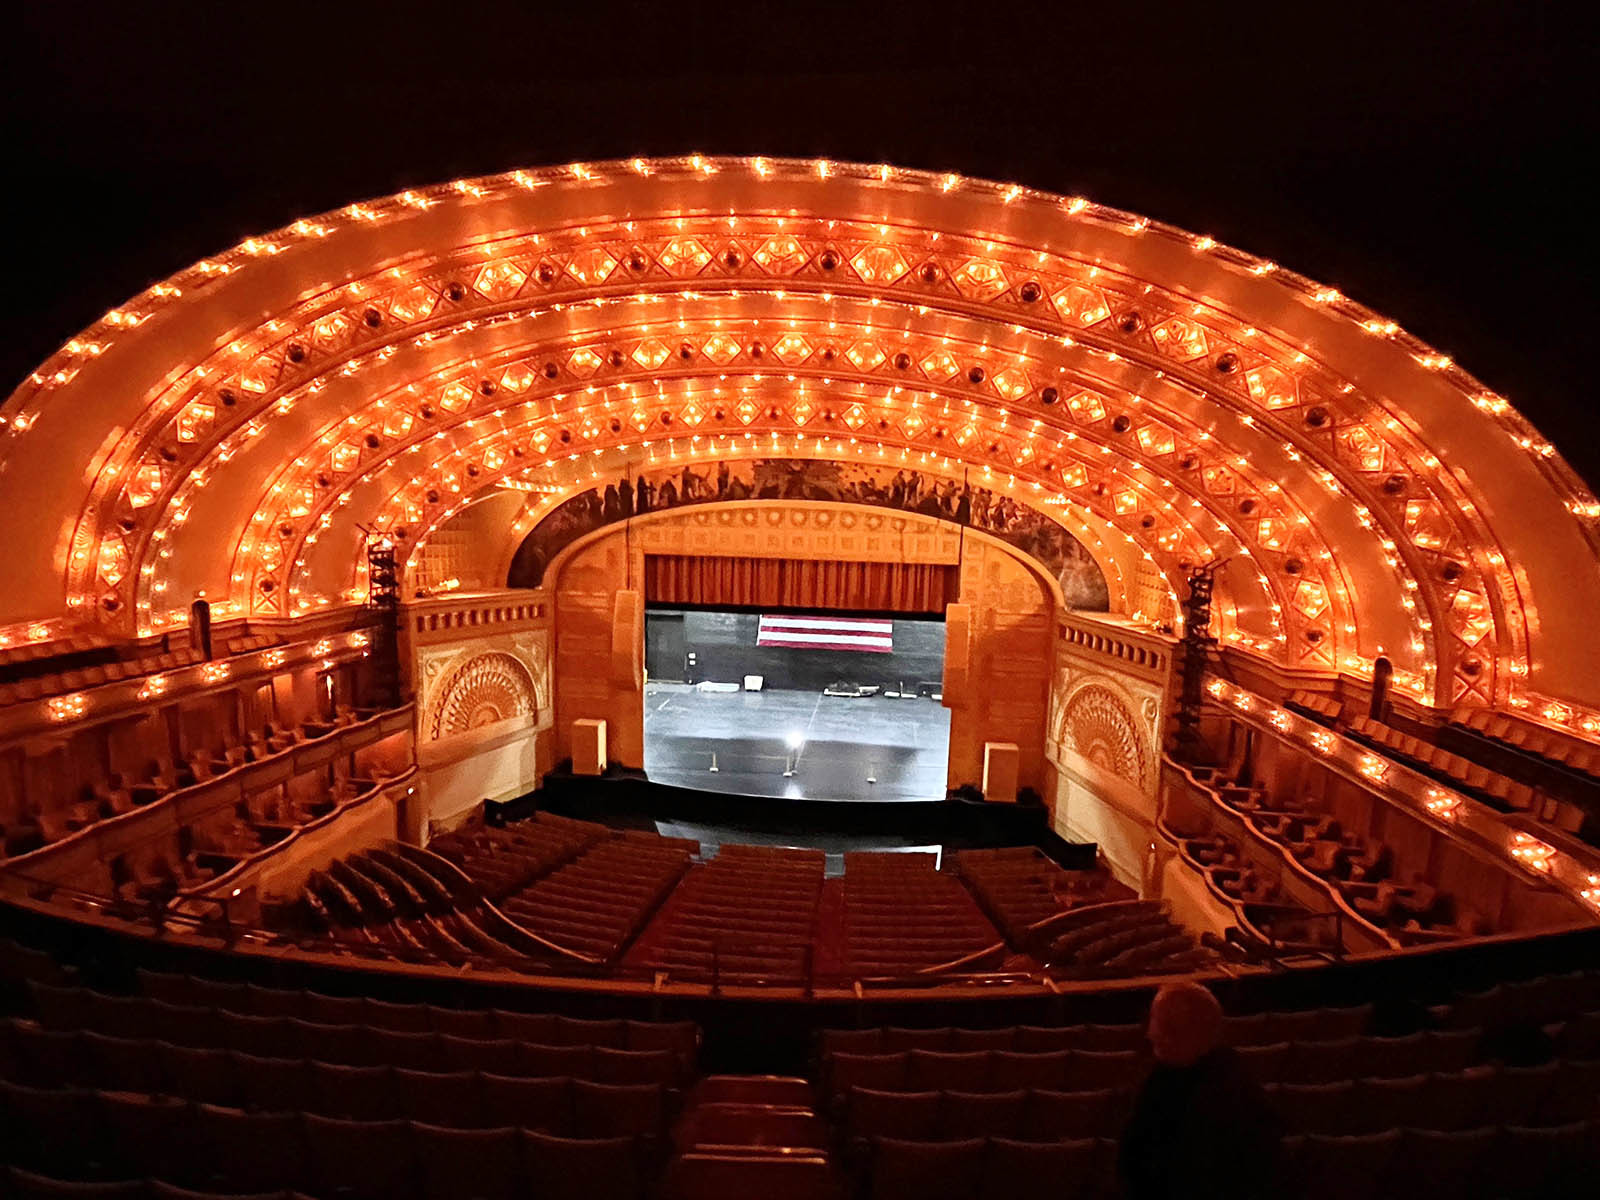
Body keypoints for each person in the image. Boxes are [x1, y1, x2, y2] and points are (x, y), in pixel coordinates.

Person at [1119, 981, 1284, 1200]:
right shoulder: (1247, 1091)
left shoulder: (1157, 1099)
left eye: (1154, 1023)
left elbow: (1134, 1174)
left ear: (1167, 1038)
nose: (1149, 1033)